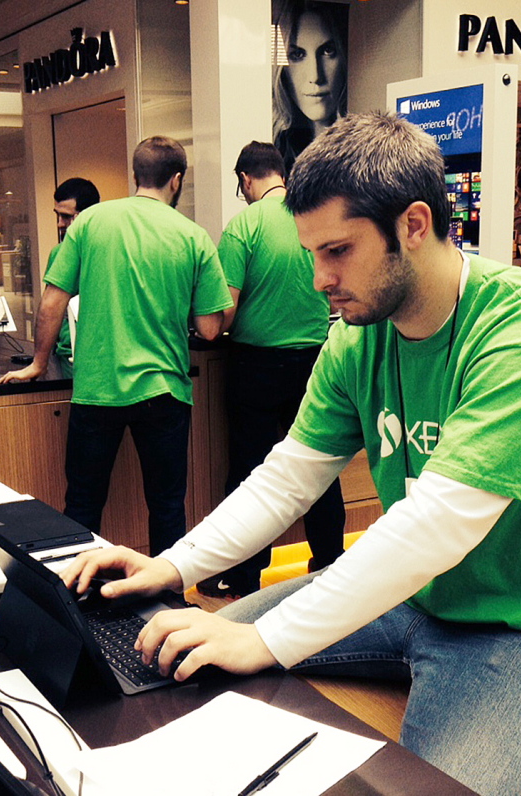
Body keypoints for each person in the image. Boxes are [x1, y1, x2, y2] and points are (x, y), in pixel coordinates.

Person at [61, 112, 521, 796]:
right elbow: (287, 478)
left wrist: (268, 640)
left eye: (336, 251)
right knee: (174, 654)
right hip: (418, 597)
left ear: (413, 224)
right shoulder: (357, 336)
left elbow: (437, 525)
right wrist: (170, 565)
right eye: (312, 252)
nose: (318, 279)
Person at [0, 136, 233, 555]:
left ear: (135, 175)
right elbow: (211, 329)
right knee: (166, 508)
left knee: (83, 507)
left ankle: (77, 603)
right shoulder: (193, 236)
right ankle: (167, 603)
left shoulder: (89, 224)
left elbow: (52, 302)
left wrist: (38, 362)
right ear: (176, 180)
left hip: (96, 389)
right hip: (163, 391)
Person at [197, 141, 343, 600]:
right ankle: (328, 570)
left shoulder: (244, 225)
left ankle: (243, 579)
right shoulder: (312, 216)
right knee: (319, 467)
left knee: (250, 474)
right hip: (317, 361)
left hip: (255, 367)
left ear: (245, 180)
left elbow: (227, 311)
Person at [272, 0, 348, 174]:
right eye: (297, 55)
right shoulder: (277, 154)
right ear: (282, 70)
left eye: (328, 51)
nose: (315, 76)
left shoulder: (363, 148)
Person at [50, 178, 101, 376]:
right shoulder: (59, 252)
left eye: (66, 216)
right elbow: (54, 308)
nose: (59, 224)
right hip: (70, 351)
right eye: (57, 215)